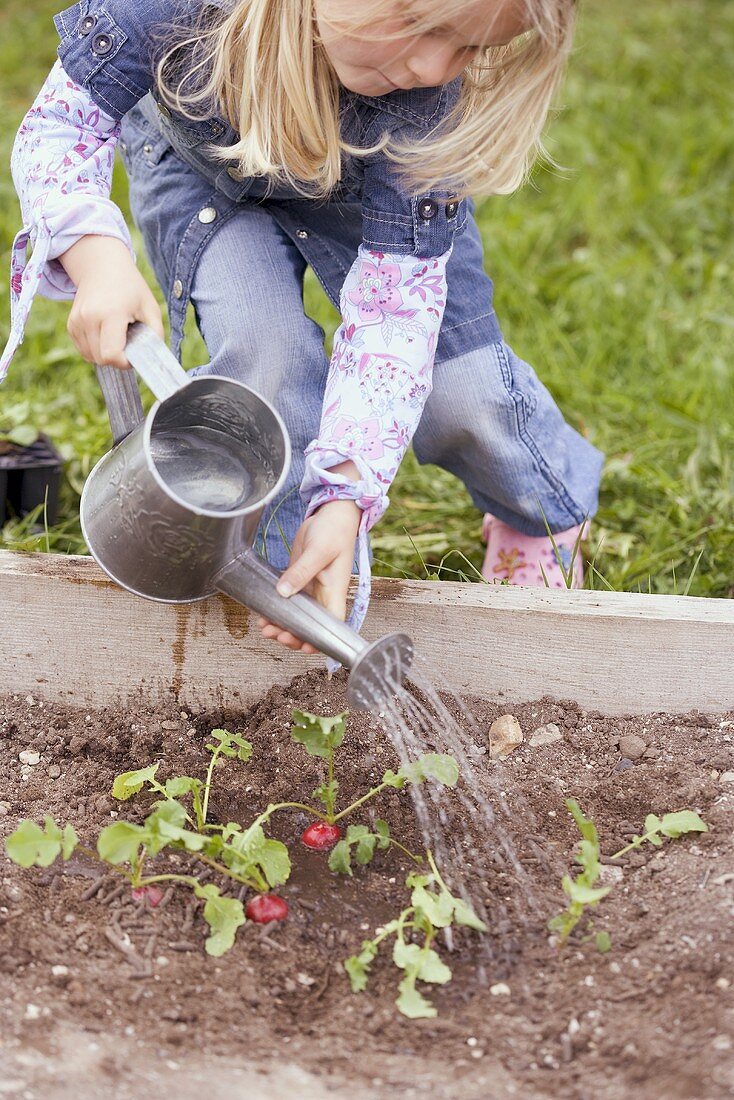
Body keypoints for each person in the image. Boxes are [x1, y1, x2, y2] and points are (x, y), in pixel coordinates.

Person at [0, 0, 603, 655]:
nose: (432, 65)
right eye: (418, 22)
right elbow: (63, 125)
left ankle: (540, 514)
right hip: (205, 167)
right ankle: (293, 569)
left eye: (466, 48)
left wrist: (345, 496)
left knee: (464, 388)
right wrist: (98, 263)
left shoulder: (424, 100)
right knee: (267, 360)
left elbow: (394, 319)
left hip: (369, 170)